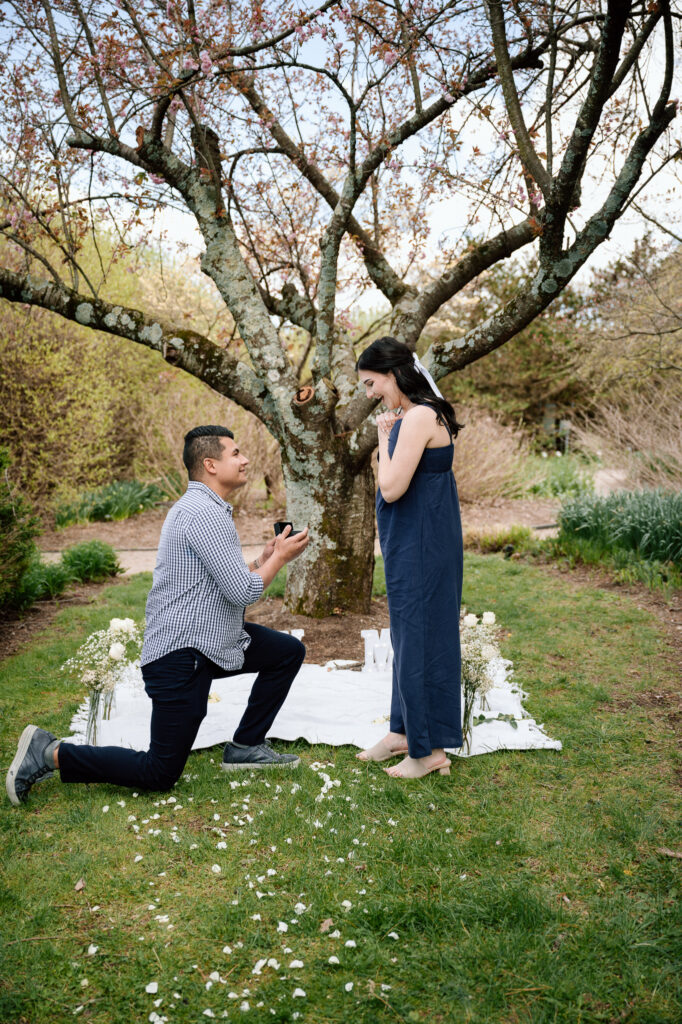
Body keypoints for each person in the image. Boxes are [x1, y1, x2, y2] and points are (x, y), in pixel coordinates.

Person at [6, 425, 309, 806]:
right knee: (159, 772)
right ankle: (49, 752)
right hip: (180, 657)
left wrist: (263, 559)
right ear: (211, 464)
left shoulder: (202, 508)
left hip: (211, 642)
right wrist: (281, 559)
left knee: (285, 651)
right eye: (236, 453)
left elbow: (224, 579)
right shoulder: (204, 513)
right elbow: (242, 591)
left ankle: (246, 746)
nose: (245, 459)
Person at [355, 338, 464, 779]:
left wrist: (383, 435)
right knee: (407, 635)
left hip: (423, 541)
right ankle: (402, 732)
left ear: (394, 374)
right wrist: (388, 431)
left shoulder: (419, 416)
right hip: (415, 538)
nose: (368, 394)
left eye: (370, 383)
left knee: (421, 640)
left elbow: (391, 487)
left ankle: (428, 750)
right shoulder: (414, 415)